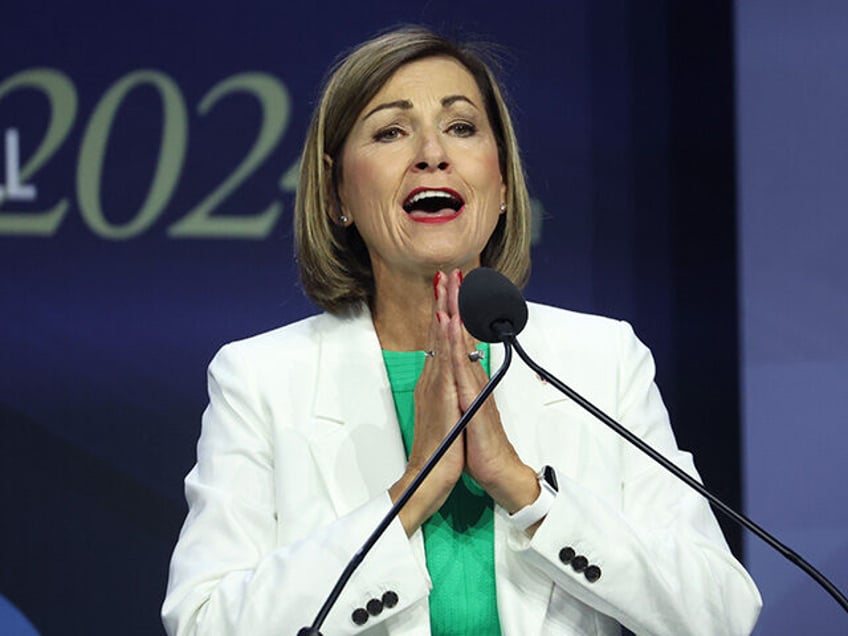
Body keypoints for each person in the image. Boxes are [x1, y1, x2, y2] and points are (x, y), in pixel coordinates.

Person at [162, 26, 762, 635]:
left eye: (461, 127)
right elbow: (203, 624)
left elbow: (721, 613)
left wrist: (527, 493)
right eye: (391, 131)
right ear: (338, 190)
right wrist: (408, 497)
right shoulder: (261, 379)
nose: (432, 152)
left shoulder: (601, 361)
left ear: (501, 183)